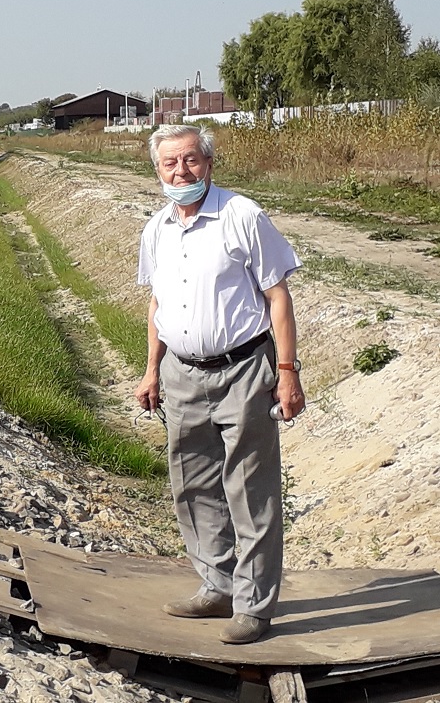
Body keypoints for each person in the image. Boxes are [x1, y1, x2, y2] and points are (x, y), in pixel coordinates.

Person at [135, 124, 305, 645]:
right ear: (157, 169)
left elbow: (278, 297)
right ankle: (217, 583)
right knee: (193, 483)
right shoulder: (156, 229)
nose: (180, 171)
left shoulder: (242, 215)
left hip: (244, 370)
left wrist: (287, 372)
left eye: (190, 161)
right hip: (181, 371)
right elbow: (158, 304)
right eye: (170, 163)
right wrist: (151, 369)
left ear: (208, 164)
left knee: (250, 488)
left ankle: (254, 605)